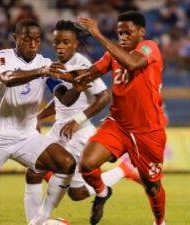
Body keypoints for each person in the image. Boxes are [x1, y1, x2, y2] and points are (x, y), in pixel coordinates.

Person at [0, 19, 81, 225]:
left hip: (26, 137)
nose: (32, 44)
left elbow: (65, 98)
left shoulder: (45, 64)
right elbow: (8, 78)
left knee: (66, 163)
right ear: (16, 38)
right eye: (27, 39)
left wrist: (79, 87)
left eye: (37, 40)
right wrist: (41, 72)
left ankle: (40, 220)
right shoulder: (3, 57)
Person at [24, 20, 141, 224]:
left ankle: (123, 170)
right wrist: (39, 116)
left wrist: (78, 120)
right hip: (58, 130)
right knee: (38, 173)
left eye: (65, 42)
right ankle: (37, 221)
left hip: (78, 134)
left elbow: (104, 96)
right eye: (56, 42)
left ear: (75, 44)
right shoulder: (54, 67)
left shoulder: (82, 65)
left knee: (70, 189)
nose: (59, 46)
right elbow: (61, 101)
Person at [74, 11, 167, 225]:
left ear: (141, 32)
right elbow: (91, 72)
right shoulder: (113, 54)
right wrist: (72, 78)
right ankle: (102, 191)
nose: (123, 37)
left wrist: (98, 35)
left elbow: (132, 64)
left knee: (152, 186)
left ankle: (159, 222)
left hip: (148, 131)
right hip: (118, 125)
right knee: (87, 164)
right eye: (119, 33)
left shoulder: (148, 47)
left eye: (127, 32)